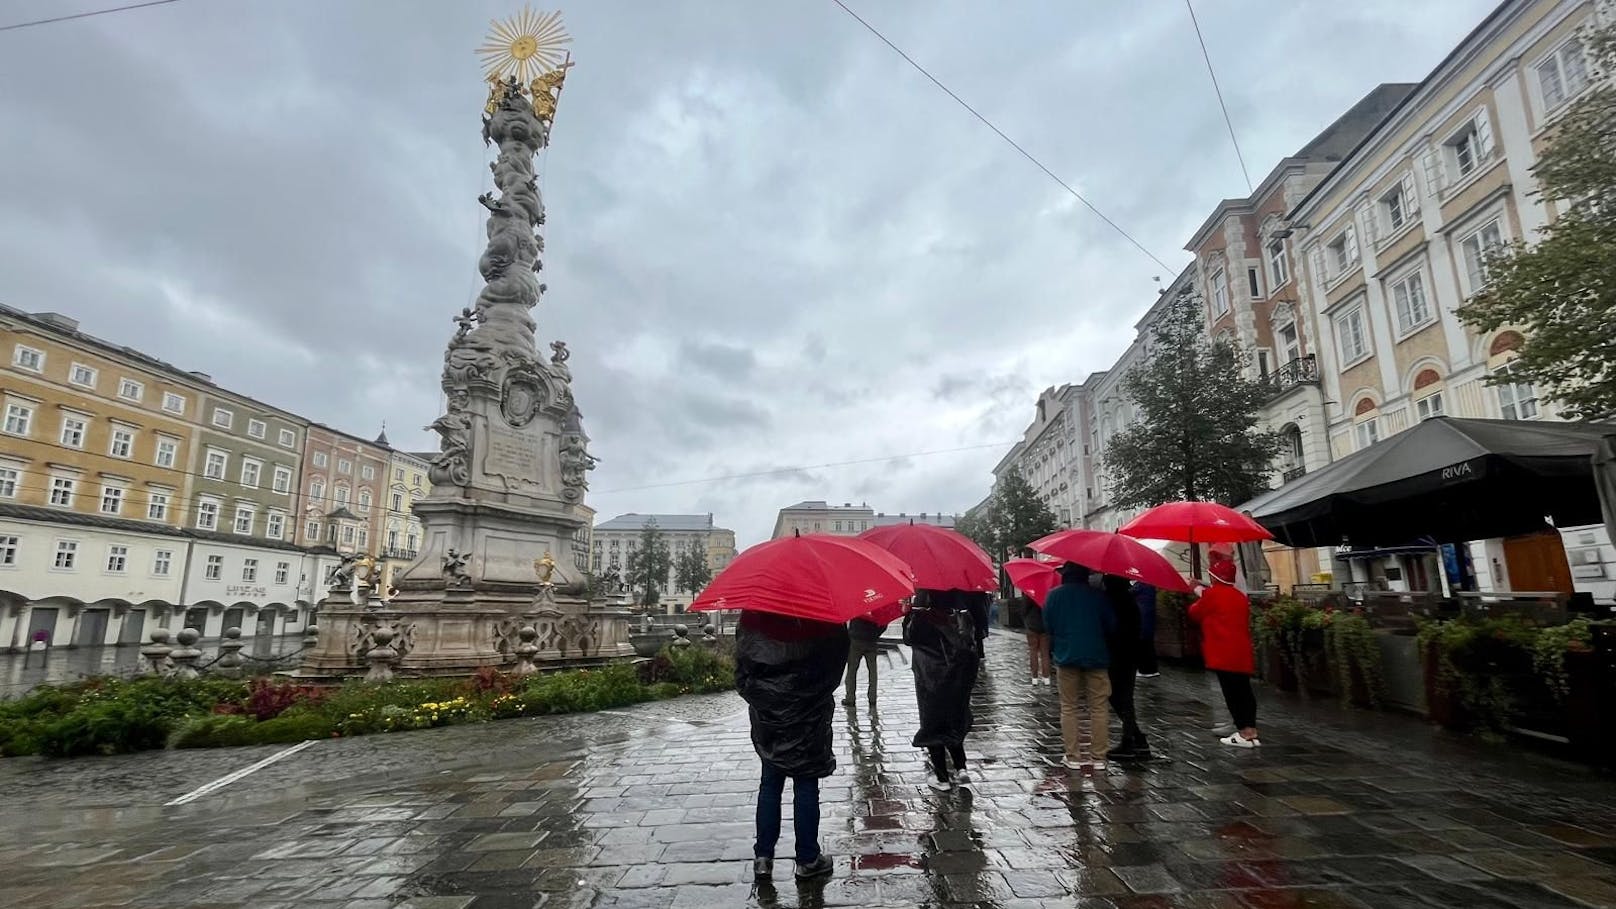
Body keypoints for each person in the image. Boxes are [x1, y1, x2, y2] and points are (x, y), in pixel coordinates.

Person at [735, 609, 849, 880]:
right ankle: (808, 859)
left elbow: (742, 673)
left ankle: (763, 857)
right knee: (806, 784)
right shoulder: (822, 611)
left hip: (770, 718)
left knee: (770, 784)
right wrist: (813, 697)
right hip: (809, 715)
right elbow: (836, 665)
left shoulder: (754, 613)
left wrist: (765, 701)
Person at [904, 589, 985, 791]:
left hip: (930, 679)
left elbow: (908, 638)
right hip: (956, 681)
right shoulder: (960, 617)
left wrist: (910, 613)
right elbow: (972, 645)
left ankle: (942, 778)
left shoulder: (922, 618)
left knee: (933, 724)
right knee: (954, 720)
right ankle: (961, 768)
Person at [1042, 564, 1116, 771]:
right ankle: (1099, 757)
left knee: (1069, 706)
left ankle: (1073, 756)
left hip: (1066, 656)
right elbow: (1111, 625)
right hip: (1097, 655)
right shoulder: (1098, 595)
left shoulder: (1053, 596)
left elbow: (1048, 625)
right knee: (1099, 707)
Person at [1189, 559, 1261, 748]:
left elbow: (1195, 612)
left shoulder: (1213, 594)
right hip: (1241, 651)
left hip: (1223, 651)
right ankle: (1251, 731)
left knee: (1232, 692)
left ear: (1214, 577)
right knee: (1245, 691)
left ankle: (1243, 733)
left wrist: (1195, 589)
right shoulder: (1239, 596)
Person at [1101, 574, 1150, 761]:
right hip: (1130, 653)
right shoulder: (1129, 600)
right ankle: (1135, 738)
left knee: (1118, 696)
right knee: (1124, 696)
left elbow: (1109, 626)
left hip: (1117, 653)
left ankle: (1131, 740)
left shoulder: (1113, 601)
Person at [843, 616, 887, 707]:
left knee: (852, 671)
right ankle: (872, 698)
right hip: (871, 642)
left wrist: (851, 634)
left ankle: (850, 698)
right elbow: (884, 624)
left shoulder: (857, 607)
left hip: (856, 641)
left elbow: (851, 624)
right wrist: (875, 634)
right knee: (872, 672)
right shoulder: (875, 607)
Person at [1019, 592, 1052, 687]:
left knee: (1033, 651)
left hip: (1032, 626)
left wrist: (1026, 621)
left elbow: (1024, 610)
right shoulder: (1048, 593)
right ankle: (1046, 678)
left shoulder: (1029, 593)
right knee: (1045, 653)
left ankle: (1034, 678)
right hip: (1045, 626)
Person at [1134, 581, 1160, 678]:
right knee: (1149, 645)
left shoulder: (1141, 585)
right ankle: (1152, 669)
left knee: (1142, 646)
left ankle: (1145, 670)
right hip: (1148, 618)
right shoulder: (1150, 585)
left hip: (1142, 618)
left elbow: (1131, 592)